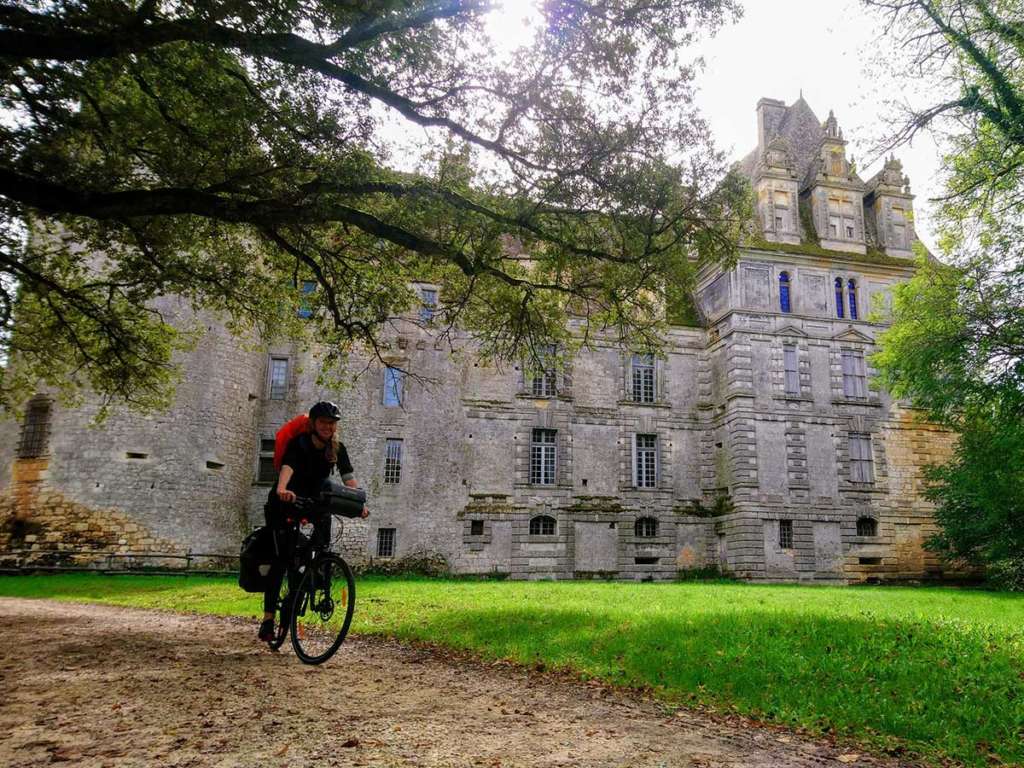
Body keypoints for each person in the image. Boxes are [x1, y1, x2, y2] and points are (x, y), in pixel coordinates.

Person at [258, 400, 368, 642]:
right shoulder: (300, 444)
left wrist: (358, 505)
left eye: (332, 423)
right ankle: (268, 619)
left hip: (314, 502)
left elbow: (348, 478)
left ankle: (314, 581)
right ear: (313, 424)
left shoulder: (337, 449)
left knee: (323, 544)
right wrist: (282, 489)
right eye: (324, 422)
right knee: (281, 559)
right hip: (286, 501)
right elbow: (288, 466)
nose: (328, 427)